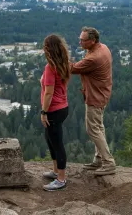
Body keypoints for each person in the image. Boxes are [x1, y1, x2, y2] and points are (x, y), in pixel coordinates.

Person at [70, 26, 116, 176]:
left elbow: (72, 69)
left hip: (95, 96)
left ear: (92, 40)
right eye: (80, 39)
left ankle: (108, 163)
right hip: (102, 93)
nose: (80, 43)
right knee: (99, 127)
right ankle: (99, 159)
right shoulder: (103, 48)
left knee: (93, 129)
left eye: (83, 40)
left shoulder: (93, 58)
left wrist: (59, 57)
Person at [40, 34, 71, 191]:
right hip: (62, 107)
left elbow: (49, 93)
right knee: (50, 139)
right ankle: (56, 171)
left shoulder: (50, 67)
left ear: (48, 49)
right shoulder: (63, 63)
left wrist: (44, 112)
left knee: (57, 143)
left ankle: (61, 179)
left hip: (53, 109)